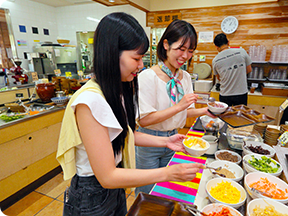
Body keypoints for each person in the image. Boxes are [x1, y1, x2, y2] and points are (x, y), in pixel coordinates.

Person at [56, 13, 204, 216]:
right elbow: (107, 176)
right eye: (136, 58)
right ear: (110, 54)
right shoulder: (90, 102)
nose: (141, 65)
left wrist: (166, 142)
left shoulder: (117, 90)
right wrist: (168, 173)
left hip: (114, 188)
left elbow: (126, 133)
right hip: (92, 194)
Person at [135, 19, 214, 195]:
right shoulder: (147, 77)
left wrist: (205, 111)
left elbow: (182, 112)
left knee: (166, 191)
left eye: (190, 51)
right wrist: (179, 106)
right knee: (146, 193)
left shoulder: (184, 77)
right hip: (149, 142)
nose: (185, 56)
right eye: (181, 49)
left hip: (174, 139)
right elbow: (144, 119)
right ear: (166, 45)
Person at [212, 33, 252, 106]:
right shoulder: (241, 51)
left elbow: (219, 78)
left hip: (225, 94)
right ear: (228, 42)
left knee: (225, 117)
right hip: (241, 93)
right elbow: (249, 69)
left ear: (216, 47)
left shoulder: (215, 60)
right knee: (240, 116)